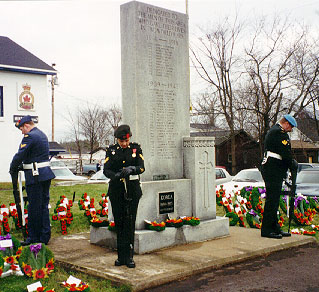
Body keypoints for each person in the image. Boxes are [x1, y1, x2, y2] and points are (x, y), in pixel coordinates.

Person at [103, 124, 145, 268]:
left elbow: (141, 167)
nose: (125, 144)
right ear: (117, 140)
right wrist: (115, 175)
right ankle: (121, 256)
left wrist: (132, 169)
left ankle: (130, 257)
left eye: (126, 141)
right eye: (122, 141)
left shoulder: (135, 148)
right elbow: (106, 170)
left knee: (130, 222)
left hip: (132, 190)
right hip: (117, 190)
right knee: (119, 223)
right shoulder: (111, 151)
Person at [9, 115, 55, 246]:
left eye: (22, 129)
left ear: (27, 125)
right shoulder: (42, 135)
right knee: (43, 206)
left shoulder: (30, 136)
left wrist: (12, 168)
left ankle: (34, 238)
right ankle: (44, 236)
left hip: (35, 176)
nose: (22, 132)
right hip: (44, 174)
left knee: (34, 207)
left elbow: (21, 154)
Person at [260, 114, 298, 239]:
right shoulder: (279, 133)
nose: (291, 129)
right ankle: (266, 229)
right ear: (286, 123)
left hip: (274, 168)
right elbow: (285, 153)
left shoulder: (275, 131)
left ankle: (274, 227)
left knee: (275, 199)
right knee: (272, 199)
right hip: (273, 168)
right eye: (291, 126)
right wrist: (292, 163)